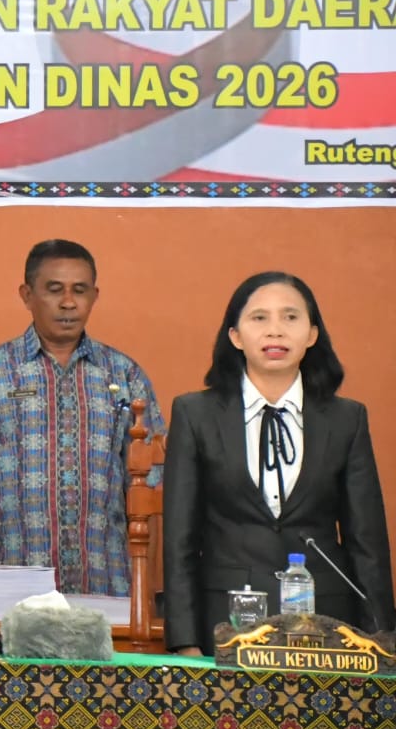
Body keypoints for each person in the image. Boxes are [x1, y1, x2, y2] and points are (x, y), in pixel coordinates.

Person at [164, 272, 395, 656]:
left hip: (327, 627)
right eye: (259, 318)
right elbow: (179, 541)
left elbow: (366, 542)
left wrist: (381, 640)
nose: (275, 330)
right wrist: (185, 641)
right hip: (226, 622)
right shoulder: (195, 413)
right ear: (235, 336)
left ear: (312, 334)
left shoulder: (346, 419)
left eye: (290, 317)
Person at [0, 239, 166, 597]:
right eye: (54, 290)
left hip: (105, 585)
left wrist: (148, 595)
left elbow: (150, 490)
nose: (68, 303)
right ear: (27, 295)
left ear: (94, 296)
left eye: (79, 290)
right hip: (7, 587)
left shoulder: (125, 376)